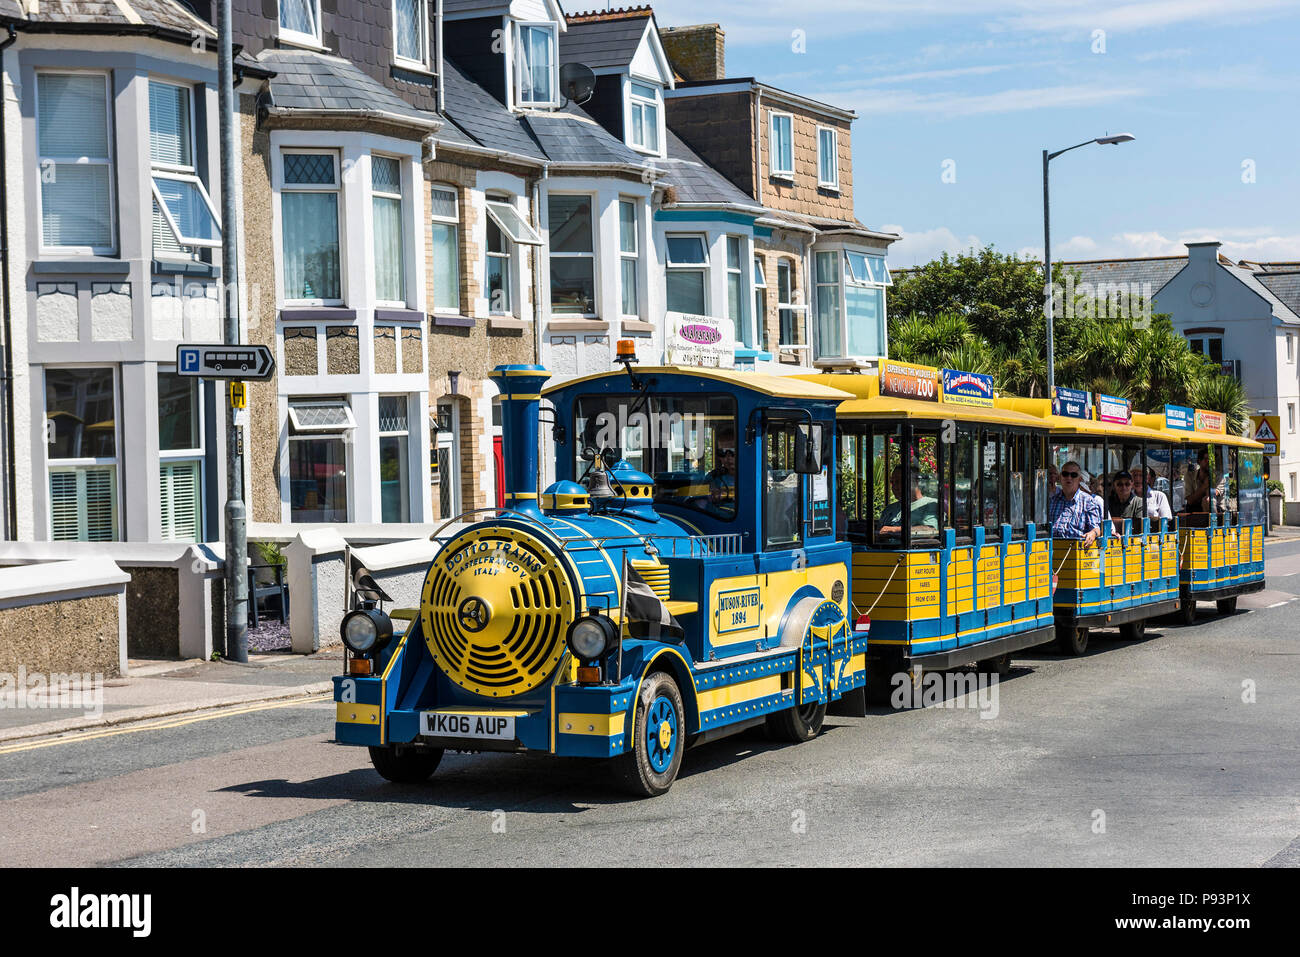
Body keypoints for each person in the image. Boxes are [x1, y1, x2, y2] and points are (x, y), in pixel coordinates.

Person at [1049, 460, 1103, 546]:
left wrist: (1092, 534)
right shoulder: (1052, 501)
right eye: (1065, 474)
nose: (1069, 478)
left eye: (1073, 475)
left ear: (1080, 479)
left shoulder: (1088, 501)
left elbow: (1096, 528)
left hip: (1077, 551)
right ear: (1060, 477)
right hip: (1052, 550)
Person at [877, 463, 939, 537]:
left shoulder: (930, 504)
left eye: (899, 482)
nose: (894, 487)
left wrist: (894, 530)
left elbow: (931, 530)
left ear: (916, 482)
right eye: (892, 482)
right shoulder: (889, 509)